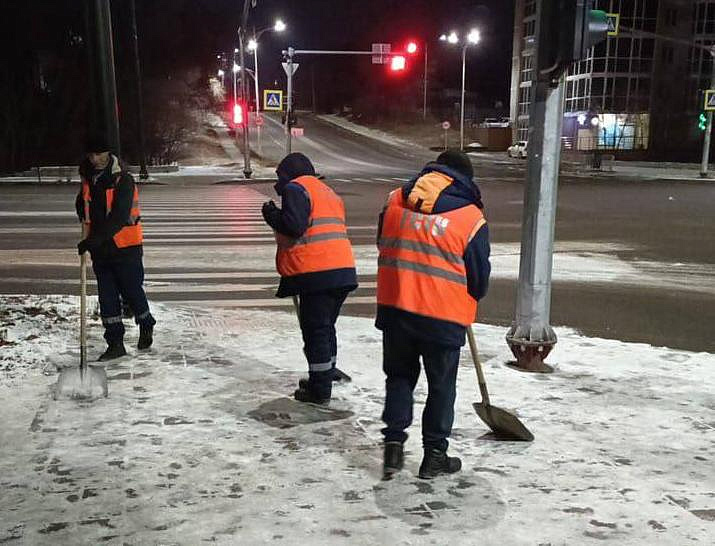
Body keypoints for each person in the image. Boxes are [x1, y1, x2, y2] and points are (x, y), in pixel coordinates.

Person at [376, 150, 491, 480]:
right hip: (443, 317)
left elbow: (384, 243)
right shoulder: (470, 217)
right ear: (463, 179)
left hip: (397, 308)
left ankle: (393, 449)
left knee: (399, 377)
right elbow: (479, 279)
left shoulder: (395, 200)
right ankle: (434, 456)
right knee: (441, 387)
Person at [262, 153, 358, 405]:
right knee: (326, 327)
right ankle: (327, 372)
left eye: (279, 176)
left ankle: (319, 389)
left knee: (315, 331)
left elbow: (294, 226)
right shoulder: (326, 191)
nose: (278, 182)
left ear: (288, 173)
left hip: (316, 272)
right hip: (342, 269)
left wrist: (271, 214)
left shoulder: (297, 188)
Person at [75, 135, 156, 361]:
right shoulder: (89, 179)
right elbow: (86, 205)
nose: (94, 159)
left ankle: (146, 322)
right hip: (101, 252)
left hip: (126, 247)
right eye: (91, 155)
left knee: (132, 292)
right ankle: (115, 343)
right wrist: (81, 207)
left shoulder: (123, 180)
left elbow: (120, 216)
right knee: (107, 298)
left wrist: (93, 240)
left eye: (99, 154)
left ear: (109, 154)